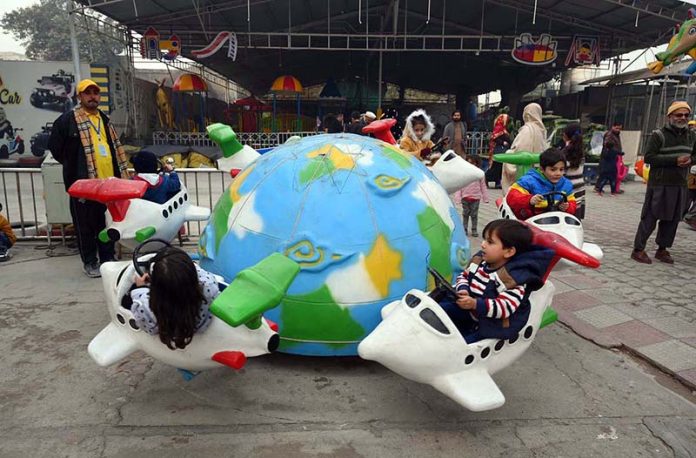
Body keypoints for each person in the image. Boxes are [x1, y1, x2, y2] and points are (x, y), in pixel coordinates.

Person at [48, 79, 130, 278]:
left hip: (108, 185)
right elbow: (57, 149)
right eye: (87, 93)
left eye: (95, 93)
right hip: (84, 186)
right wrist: (74, 167)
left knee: (107, 225)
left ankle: (107, 259)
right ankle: (90, 262)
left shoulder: (104, 119)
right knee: (85, 226)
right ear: (79, 96)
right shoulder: (67, 120)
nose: (92, 96)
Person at [440, 219, 553, 343]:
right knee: (438, 311)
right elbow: (464, 276)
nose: (483, 244)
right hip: (470, 311)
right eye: (484, 239)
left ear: (509, 251)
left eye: (490, 242)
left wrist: (475, 304)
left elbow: (504, 307)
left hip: (491, 322)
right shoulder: (480, 263)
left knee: (461, 345)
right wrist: (463, 289)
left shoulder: (513, 279)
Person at [631, 101, 696, 264]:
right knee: (650, 217)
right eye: (679, 114)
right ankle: (638, 249)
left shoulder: (692, 136)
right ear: (670, 116)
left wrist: (691, 161)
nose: (683, 118)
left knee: (673, 219)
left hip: (680, 184)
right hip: (659, 183)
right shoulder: (658, 135)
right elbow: (649, 158)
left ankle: (662, 249)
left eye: (686, 115)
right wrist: (674, 160)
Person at [129, 246, 220, 349]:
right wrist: (187, 268)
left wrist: (141, 287)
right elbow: (203, 275)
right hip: (201, 336)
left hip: (169, 348)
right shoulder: (209, 289)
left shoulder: (144, 308)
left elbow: (142, 321)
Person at [506, 147, 577, 220]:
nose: (558, 173)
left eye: (561, 169)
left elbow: (573, 203)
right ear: (542, 169)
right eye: (553, 169)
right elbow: (511, 198)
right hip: (529, 220)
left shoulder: (566, 184)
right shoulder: (528, 181)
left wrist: (567, 207)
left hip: (554, 221)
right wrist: (529, 200)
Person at [501, 103, 549, 193]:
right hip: (538, 172)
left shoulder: (527, 130)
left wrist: (508, 153)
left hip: (524, 172)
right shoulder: (541, 131)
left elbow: (519, 151)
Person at [453, 155, 489, 237]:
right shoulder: (463, 173)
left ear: (477, 163)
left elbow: (483, 186)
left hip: (476, 198)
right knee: (465, 214)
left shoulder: (480, 173)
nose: (470, 164)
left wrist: (485, 197)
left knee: (474, 215)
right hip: (465, 197)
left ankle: (474, 229)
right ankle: (464, 229)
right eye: (468, 162)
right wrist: (458, 198)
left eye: (472, 163)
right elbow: (459, 186)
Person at [561, 123, 586, 218]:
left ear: (566, 135)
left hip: (569, 188)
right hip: (580, 187)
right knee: (576, 216)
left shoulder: (564, 152)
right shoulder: (581, 151)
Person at [486, 112, 511, 188]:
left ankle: (498, 182)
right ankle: (486, 179)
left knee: (499, 167)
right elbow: (494, 138)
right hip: (498, 150)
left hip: (502, 150)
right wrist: (503, 142)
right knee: (496, 166)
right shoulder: (499, 129)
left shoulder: (503, 129)